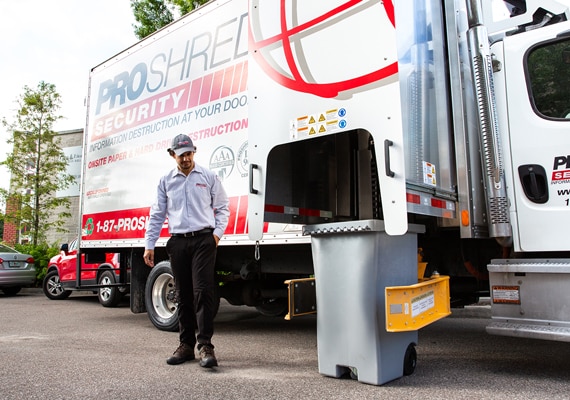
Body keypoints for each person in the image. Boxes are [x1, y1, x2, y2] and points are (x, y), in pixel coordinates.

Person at [143, 133, 229, 368]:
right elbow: (157, 214)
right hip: (178, 242)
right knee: (183, 295)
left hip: (203, 240)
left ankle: (206, 346)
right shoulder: (166, 181)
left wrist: (216, 236)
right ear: (173, 155)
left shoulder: (208, 176)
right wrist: (149, 244)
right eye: (181, 155)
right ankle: (186, 346)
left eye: (189, 153)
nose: (186, 158)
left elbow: (222, 208)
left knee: (203, 291)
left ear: (194, 152)